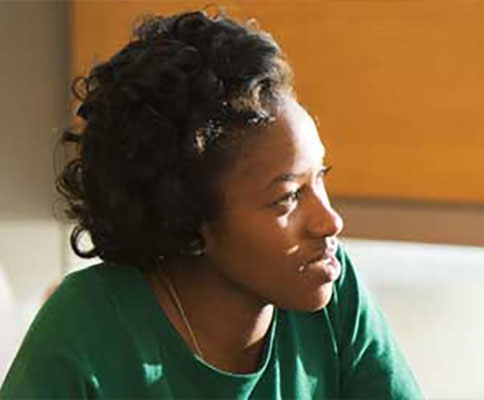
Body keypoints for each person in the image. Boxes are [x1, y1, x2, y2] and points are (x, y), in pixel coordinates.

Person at [0, 9, 421, 399]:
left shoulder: (332, 289)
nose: (329, 222)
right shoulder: (85, 327)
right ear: (188, 219)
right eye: (288, 198)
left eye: (320, 179)